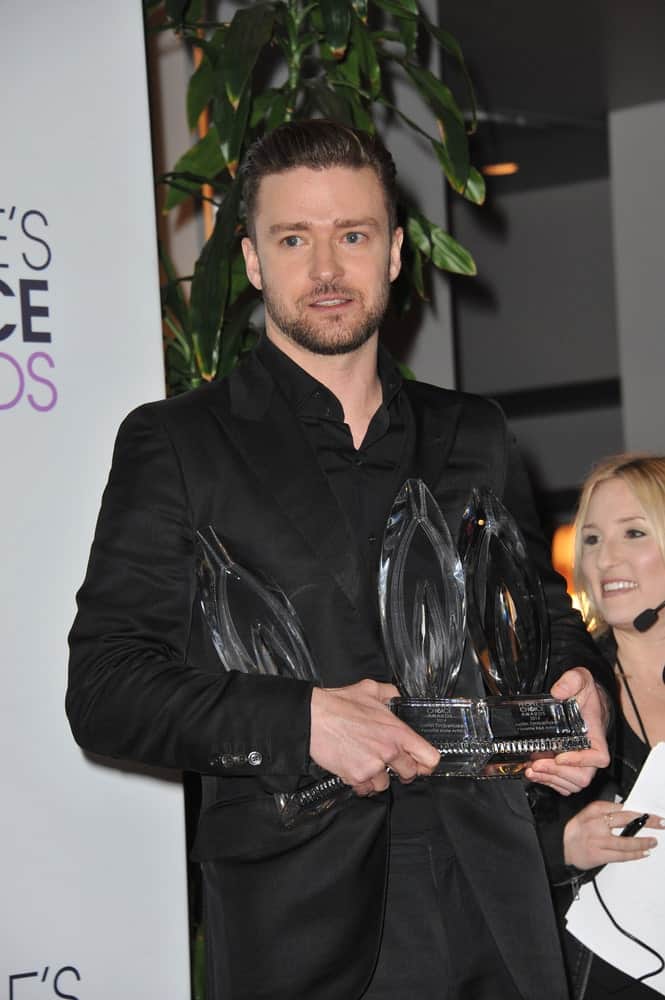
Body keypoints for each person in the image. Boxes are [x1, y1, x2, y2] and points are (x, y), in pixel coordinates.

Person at [67, 119, 614, 1000]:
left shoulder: (473, 431)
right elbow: (105, 689)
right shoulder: (178, 443)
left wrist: (574, 682)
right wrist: (303, 720)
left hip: (493, 901)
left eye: (351, 235)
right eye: (294, 238)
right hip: (301, 927)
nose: (326, 269)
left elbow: (541, 620)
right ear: (251, 261)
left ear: (395, 252)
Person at [537, 455, 665, 998]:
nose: (606, 558)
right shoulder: (561, 693)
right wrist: (562, 845)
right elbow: (483, 838)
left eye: (633, 533)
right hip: (603, 975)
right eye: (590, 539)